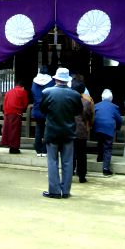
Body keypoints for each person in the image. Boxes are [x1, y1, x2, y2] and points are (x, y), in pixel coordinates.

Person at [39, 67, 83, 199]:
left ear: (56, 79)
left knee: (52, 161)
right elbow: (78, 111)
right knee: (68, 162)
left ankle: (54, 190)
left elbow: (43, 109)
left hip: (52, 131)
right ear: (67, 80)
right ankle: (66, 190)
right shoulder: (75, 94)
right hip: (68, 131)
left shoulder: (47, 92)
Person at [93, 89, 123, 176]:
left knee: (100, 142)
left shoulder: (96, 106)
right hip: (108, 128)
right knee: (108, 148)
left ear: (102, 98)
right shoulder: (114, 107)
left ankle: (99, 157)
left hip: (97, 128)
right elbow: (119, 120)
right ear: (111, 98)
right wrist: (117, 128)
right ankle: (106, 168)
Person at [71, 79, 94, 183]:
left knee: (70, 153)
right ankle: (82, 176)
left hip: (70, 130)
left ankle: (69, 172)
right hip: (81, 130)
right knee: (81, 154)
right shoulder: (87, 102)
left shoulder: (68, 100)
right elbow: (89, 116)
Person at [31, 66, 55, 157]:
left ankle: (38, 150)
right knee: (47, 129)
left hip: (37, 108)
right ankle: (45, 150)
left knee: (38, 129)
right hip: (48, 108)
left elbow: (33, 92)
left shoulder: (34, 81)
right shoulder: (50, 81)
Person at [0, 80, 28, 154]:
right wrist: (22, 109)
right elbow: (25, 104)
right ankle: (14, 148)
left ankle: (9, 145)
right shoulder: (23, 91)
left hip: (7, 113)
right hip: (16, 113)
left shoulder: (9, 92)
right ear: (23, 87)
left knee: (8, 130)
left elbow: (5, 102)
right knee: (15, 131)